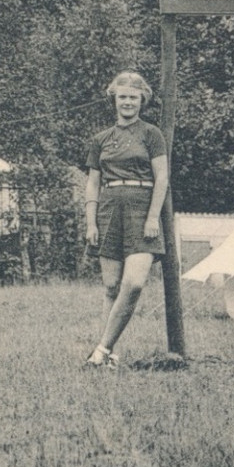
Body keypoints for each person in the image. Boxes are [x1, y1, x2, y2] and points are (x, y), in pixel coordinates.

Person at [81, 72, 170, 369]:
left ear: (142, 100)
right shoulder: (101, 139)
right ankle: (108, 354)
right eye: (123, 97)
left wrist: (153, 216)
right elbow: (92, 184)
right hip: (108, 211)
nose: (128, 102)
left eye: (133, 97)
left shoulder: (151, 134)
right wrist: (91, 223)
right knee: (110, 286)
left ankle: (101, 350)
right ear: (114, 100)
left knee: (132, 284)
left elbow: (162, 178)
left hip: (142, 211)